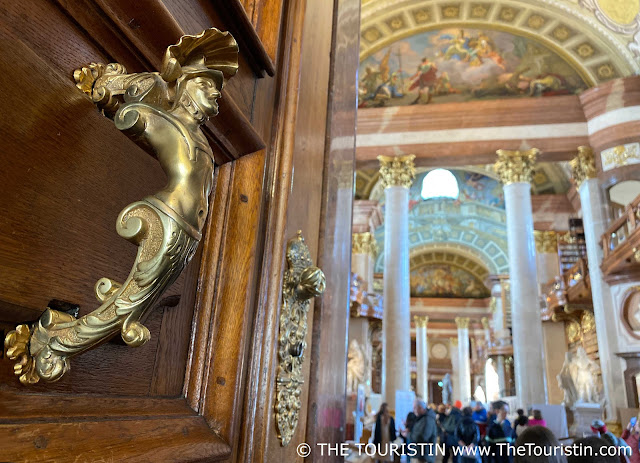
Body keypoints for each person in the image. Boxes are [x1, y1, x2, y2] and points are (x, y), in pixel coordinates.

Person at [410, 399, 438, 463]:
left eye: (414, 408)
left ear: (420, 408)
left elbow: (423, 437)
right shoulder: (422, 418)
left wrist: (409, 435)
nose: (413, 410)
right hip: (420, 454)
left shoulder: (427, 419)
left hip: (424, 456)